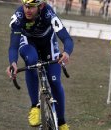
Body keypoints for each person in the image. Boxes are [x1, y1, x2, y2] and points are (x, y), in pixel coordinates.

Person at [6, 0, 74, 130]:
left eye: (31, 7)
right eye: (25, 6)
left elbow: (66, 38)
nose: (27, 10)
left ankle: (61, 123)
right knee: (31, 61)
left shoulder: (49, 13)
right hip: (28, 43)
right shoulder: (19, 17)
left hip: (48, 44)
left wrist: (66, 52)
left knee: (54, 81)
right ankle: (34, 107)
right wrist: (13, 63)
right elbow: (13, 46)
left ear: (41, 6)